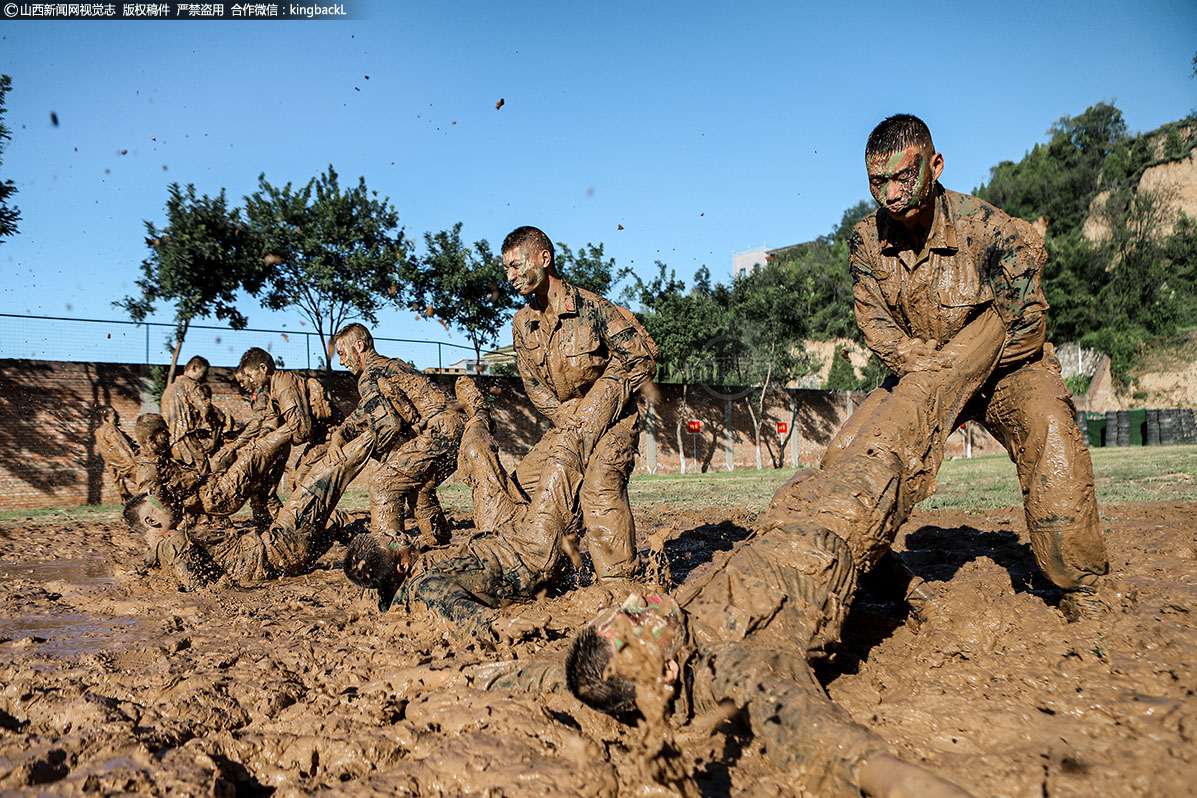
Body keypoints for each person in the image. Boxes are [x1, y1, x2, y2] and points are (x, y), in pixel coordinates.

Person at [562, 308, 1015, 798]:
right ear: (668, 672)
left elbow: (548, 676)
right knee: (927, 391)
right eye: (637, 620)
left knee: (864, 422)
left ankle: (909, 588)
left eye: (618, 614)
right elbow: (821, 737)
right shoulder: (732, 671)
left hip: (787, 516)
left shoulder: (623, 662)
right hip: (844, 517)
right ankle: (1009, 309)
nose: (637, 603)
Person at [837, 113, 1108, 620]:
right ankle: (898, 585)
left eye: (902, 177)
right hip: (921, 377)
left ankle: (1082, 590)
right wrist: (909, 358)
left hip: (1007, 372)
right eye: (878, 181)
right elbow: (873, 320)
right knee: (844, 457)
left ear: (934, 166)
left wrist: (961, 368)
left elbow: (1028, 323)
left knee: (1050, 426)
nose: (891, 194)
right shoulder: (865, 241)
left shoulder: (992, 231)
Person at [343, 375, 610, 639]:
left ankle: (479, 412)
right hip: (530, 552)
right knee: (566, 450)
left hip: (498, 532)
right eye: (392, 541)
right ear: (401, 567)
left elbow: (368, 573)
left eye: (388, 534)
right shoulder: (426, 588)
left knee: (474, 450)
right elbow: (460, 612)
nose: (397, 534)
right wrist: (500, 626)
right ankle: (621, 374)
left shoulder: (381, 577)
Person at [503, 225, 658, 581]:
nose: (511, 276)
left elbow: (642, 359)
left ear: (544, 259)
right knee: (521, 487)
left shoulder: (592, 307)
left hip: (615, 420)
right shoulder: (522, 323)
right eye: (507, 270)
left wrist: (602, 405)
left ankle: (620, 586)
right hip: (569, 424)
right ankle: (549, 569)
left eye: (516, 265)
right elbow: (533, 384)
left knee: (598, 486)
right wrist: (566, 414)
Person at [124, 427, 376, 584]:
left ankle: (378, 550)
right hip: (279, 546)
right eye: (161, 504)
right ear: (151, 521)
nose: (168, 502)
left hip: (283, 561)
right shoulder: (173, 542)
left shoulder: (161, 546)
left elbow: (158, 558)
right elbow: (198, 589)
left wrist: (140, 568)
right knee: (328, 471)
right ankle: (380, 428)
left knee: (337, 521)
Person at [328, 323, 463, 547]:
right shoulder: (390, 366)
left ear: (359, 346)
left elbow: (388, 425)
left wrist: (379, 456)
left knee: (384, 482)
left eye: (342, 354)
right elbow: (360, 414)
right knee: (417, 485)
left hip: (440, 431)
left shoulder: (369, 375)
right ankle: (440, 546)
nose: (341, 361)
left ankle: (386, 558)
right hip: (457, 428)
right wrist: (339, 434)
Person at [131, 412, 293, 525]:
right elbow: (152, 511)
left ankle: (276, 422)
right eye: (164, 433)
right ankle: (293, 425)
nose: (169, 436)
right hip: (218, 498)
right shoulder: (149, 471)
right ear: (151, 440)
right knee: (254, 454)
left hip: (213, 490)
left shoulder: (160, 460)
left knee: (239, 456)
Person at [159, 355, 226, 470]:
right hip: (188, 442)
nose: (204, 379)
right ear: (194, 368)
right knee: (204, 475)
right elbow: (205, 408)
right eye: (204, 374)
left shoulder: (168, 390)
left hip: (171, 443)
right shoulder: (191, 384)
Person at [94, 405, 137, 501]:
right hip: (127, 465)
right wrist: (135, 463)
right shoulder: (110, 429)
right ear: (105, 418)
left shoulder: (98, 432)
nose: (118, 416)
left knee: (126, 496)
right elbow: (122, 448)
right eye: (114, 414)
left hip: (114, 467)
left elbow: (106, 454)